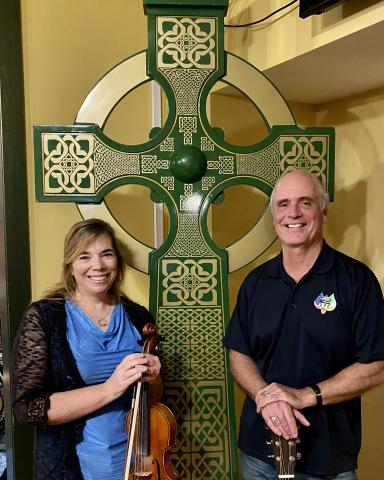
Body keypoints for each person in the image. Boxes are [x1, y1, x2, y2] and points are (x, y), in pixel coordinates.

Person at [223, 171, 384, 479]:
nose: (293, 213)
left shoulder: (356, 280)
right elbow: (238, 352)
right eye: (283, 204)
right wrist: (263, 396)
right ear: (274, 217)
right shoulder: (256, 283)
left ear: (323, 211)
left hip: (329, 459)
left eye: (305, 202)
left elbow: (376, 364)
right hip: (259, 454)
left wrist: (304, 396)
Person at [12, 218, 162, 480]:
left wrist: (155, 378)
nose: (98, 266)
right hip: (73, 467)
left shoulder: (139, 316)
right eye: (84, 256)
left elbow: (154, 398)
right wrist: (109, 388)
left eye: (106, 254)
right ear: (70, 265)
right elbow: (28, 407)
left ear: (117, 261)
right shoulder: (45, 316)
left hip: (137, 462)